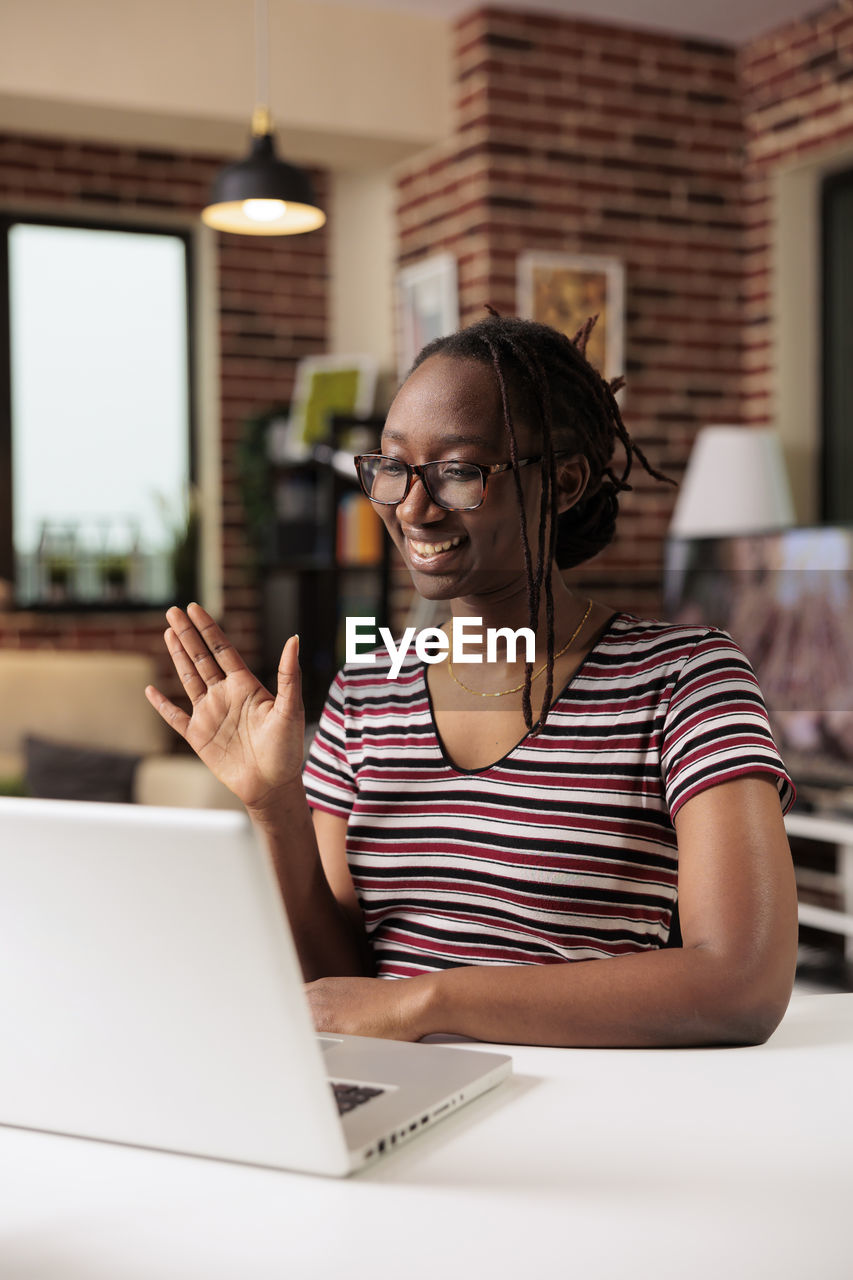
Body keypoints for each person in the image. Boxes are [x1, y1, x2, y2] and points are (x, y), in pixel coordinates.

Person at [145, 313, 798, 1048]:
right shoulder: (366, 694)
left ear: (563, 482)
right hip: (400, 1097)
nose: (413, 508)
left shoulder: (684, 680)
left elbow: (740, 984)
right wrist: (275, 809)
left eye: (457, 471)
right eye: (391, 469)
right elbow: (339, 984)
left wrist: (427, 1005)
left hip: (599, 1108)